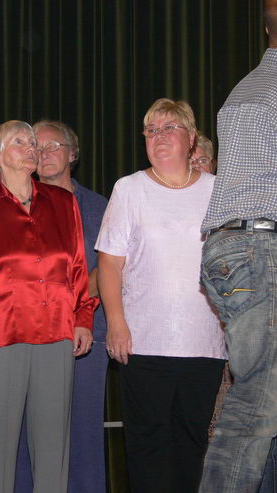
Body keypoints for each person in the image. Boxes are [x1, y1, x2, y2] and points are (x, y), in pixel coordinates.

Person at [0, 120, 96, 493]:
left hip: (58, 335)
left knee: (53, 449)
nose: (31, 147)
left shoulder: (63, 203)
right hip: (0, 338)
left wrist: (83, 318)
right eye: (19, 141)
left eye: (32, 141)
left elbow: (78, 266)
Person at [96, 98, 226, 493]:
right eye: (152, 131)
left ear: (191, 139)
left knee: (193, 445)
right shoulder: (129, 189)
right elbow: (109, 265)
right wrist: (116, 324)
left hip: (205, 343)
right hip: (144, 341)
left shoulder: (218, 191)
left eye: (170, 128)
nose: (159, 137)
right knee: (146, 445)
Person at [199, 0, 277, 493]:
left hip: (238, 247)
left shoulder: (251, 85)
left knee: (262, 397)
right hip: (258, 246)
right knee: (257, 401)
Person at [14, 120, 109, 493]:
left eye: (54, 146)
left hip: (85, 336)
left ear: (73, 154)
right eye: (37, 146)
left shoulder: (99, 207)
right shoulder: (13, 204)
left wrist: (78, 315)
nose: (44, 153)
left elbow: (105, 270)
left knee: (82, 432)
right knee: (24, 434)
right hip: (26, 338)